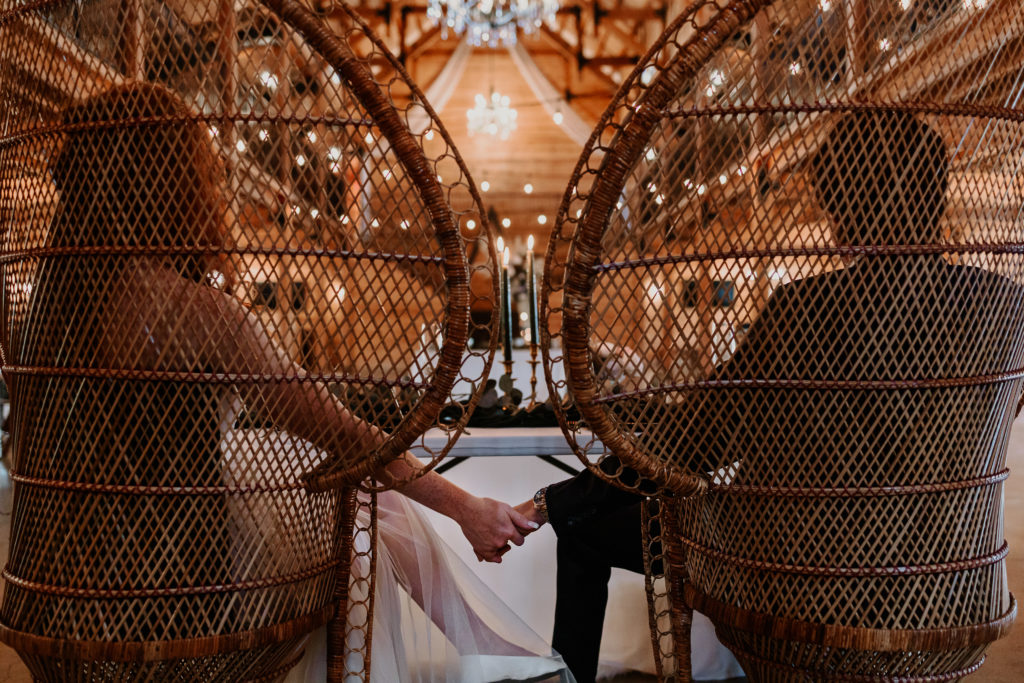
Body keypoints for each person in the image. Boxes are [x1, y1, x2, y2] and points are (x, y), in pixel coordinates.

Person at [0, 82, 567, 682]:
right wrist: (462, 507)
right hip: (179, 596)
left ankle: (486, 649)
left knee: (358, 496)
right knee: (368, 504)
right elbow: (347, 435)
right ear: (175, 187)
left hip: (51, 593)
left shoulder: (30, 316)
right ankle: (489, 655)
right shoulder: (199, 316)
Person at [516, 110, 1024, 682]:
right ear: (937, 194)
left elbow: (690, 448)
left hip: (800, 578)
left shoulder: (803, 311)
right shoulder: (1006, 308)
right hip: (950, 582)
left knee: (584, 532)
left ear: (838, 202)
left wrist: (552, 504)